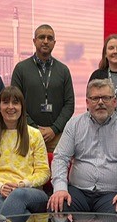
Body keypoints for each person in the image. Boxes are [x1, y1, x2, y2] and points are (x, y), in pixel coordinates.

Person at [48, 78, 117, 214]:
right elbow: (60, 158)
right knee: (57, 206)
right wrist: (60, 188)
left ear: (115, 102)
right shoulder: (74, 124)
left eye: (106, 98)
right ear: (87, 103)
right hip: (77, 192)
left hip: (112, 195)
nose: (100, 102)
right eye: (95, 98)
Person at [0, 86, 50, 220]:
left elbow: (44, 172)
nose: (10, 107)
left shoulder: (35, 135)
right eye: (5, 102)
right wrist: (0, 187)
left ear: (22, 107)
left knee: (17, 198)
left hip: (31, 192)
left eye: (15, 102)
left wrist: (22, 185)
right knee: (19, 215)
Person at [11, 24, 75, 152]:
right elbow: (15, 103)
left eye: (49, 38)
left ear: (54, 43)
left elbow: (69, 104)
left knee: (56, 171)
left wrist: (54, 129)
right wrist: (34, 129)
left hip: (57, 137)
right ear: (34, 41)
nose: (45, 41)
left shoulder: (63, 70)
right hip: (28, 135)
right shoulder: (21, 69)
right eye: (41, 37)